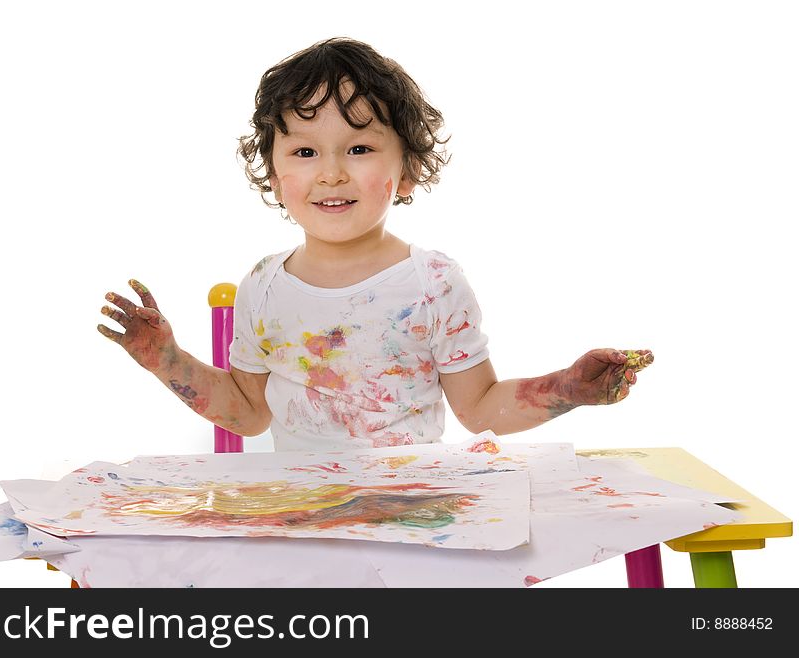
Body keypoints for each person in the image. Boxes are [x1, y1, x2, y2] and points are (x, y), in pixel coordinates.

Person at [97, 37, 653, 451]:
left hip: (411, 518)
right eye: (305, 152)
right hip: (305, 519)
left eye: (359, 149)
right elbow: (247, 415)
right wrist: (164, 359)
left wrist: (569, 388)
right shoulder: (264, 285)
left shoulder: (432, 283)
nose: (331, 173)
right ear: (272, 172)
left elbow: (481, 408)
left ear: (407, 171)